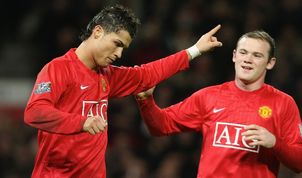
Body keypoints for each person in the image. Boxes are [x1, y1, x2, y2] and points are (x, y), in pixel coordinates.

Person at [23, 4, 223, 178]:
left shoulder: (107, 75)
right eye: (117, 44)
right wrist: (81, 122)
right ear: (98, 31)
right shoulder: (58, 68)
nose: (119, 54)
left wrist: (194, 50)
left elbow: (146, 74)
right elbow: (34, 111)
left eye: (123, 48)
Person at [135, 30, 302, 178]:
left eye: (257, 55)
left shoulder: (283, 103)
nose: (247, 59)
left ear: (270, 63)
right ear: (234, 56)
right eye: (243, 52)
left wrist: (275, 142)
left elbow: (300, 162)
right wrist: (146, 101)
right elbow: (160, 127)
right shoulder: (209, 96)